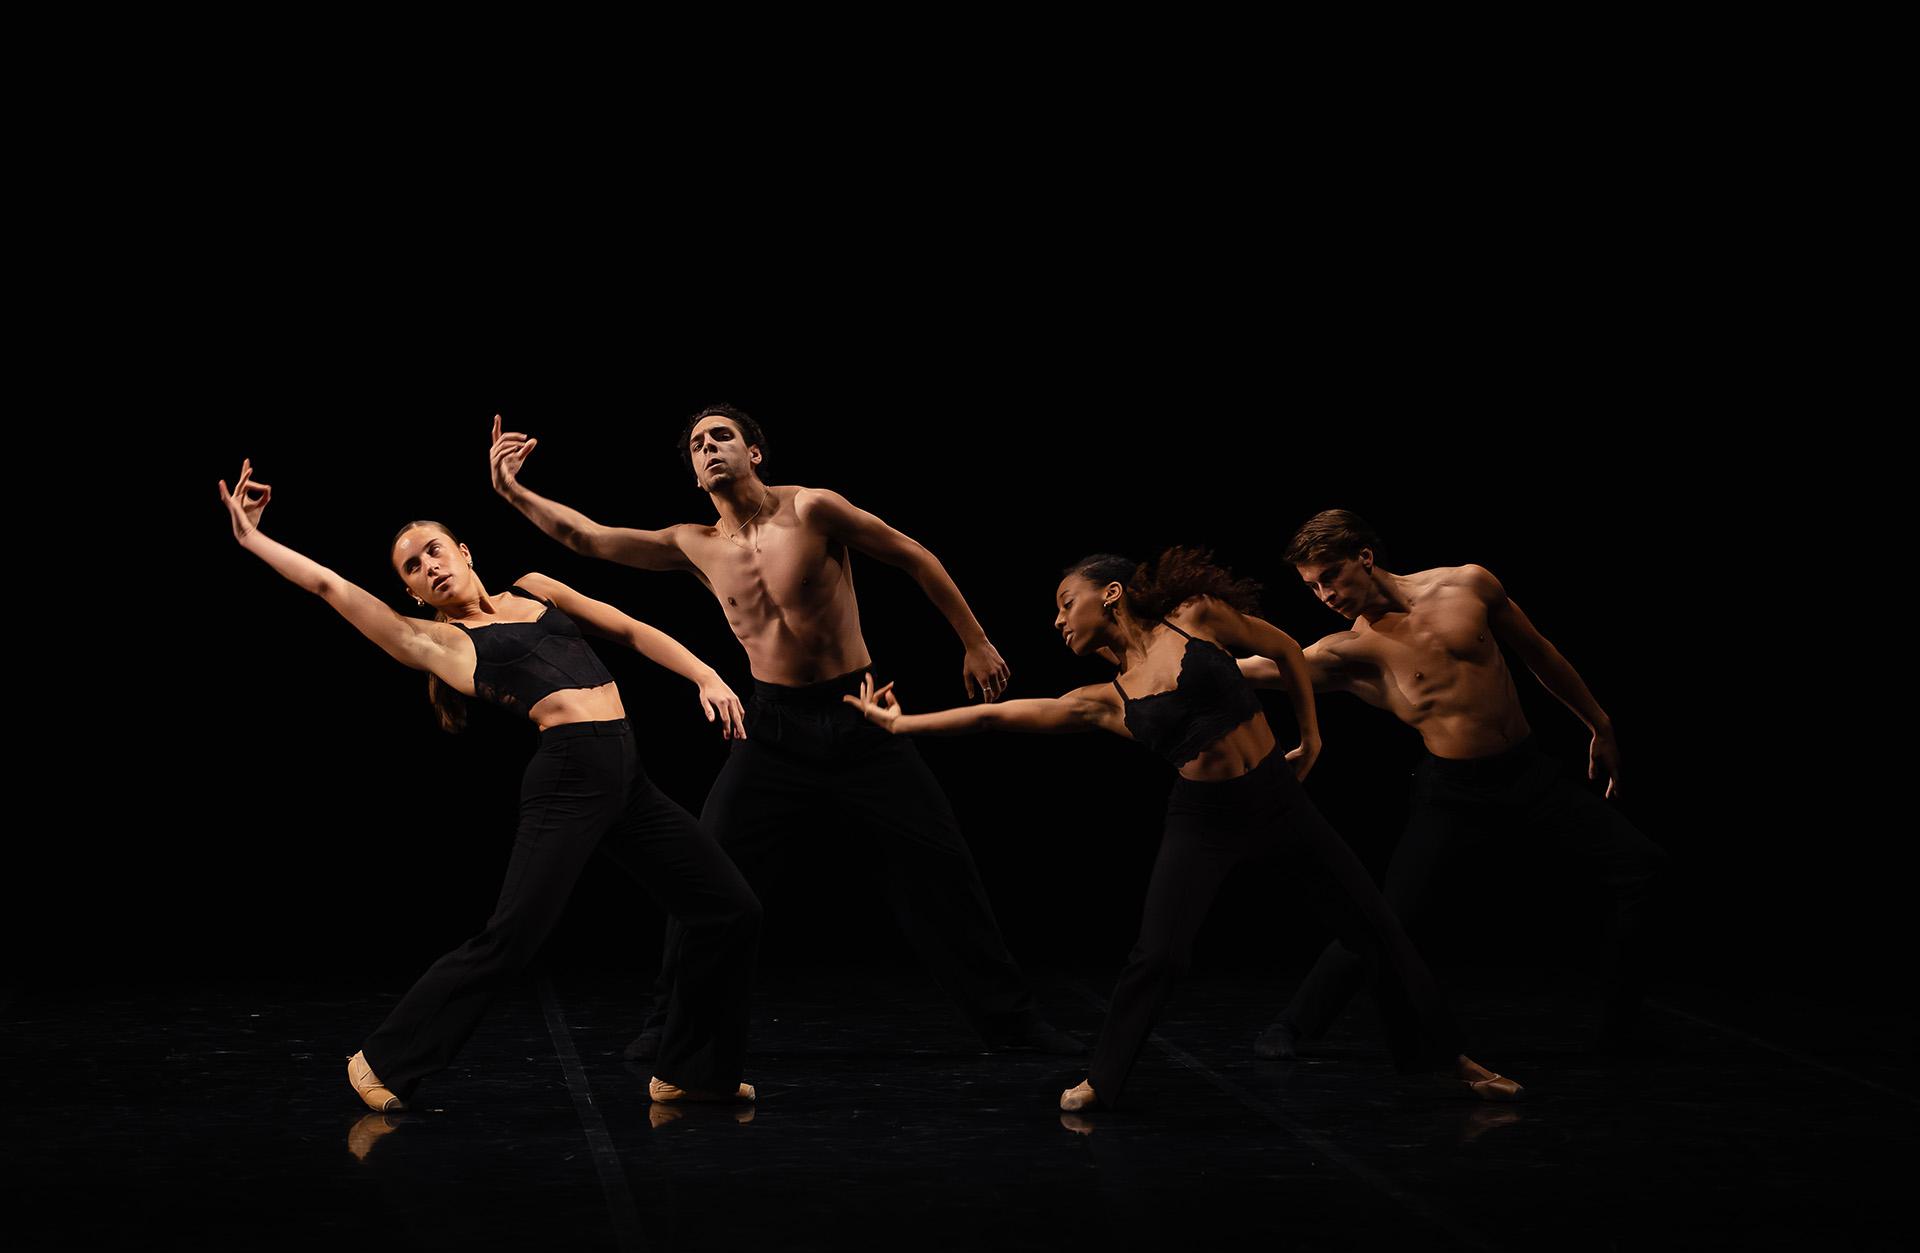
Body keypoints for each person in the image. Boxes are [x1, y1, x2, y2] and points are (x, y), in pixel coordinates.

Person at [841, 547, 1522, 1110]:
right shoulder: (1107, 698)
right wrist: (903, 725)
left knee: (1375, 927)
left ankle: (1452, 1060)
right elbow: (1000, 717)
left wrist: (1311, 738)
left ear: (1110, 594)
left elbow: (1286, 650)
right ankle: (1102, 1080)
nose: (1057, 621)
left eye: (1064, 602)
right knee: (1159, 955)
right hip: (1204, 819)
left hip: (1279, 801)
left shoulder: (1196, 619)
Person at [488, 408, 1078, 1056]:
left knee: (942, 871)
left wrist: (975, 641)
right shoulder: (694, 543)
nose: (708, 447)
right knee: (704, 873)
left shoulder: (814, 510)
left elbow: (913, 555)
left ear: (755, 453)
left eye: (722, 437)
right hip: (772, 730)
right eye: (696, 444)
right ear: (692, 471)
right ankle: (669, 1024)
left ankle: (1013, 1025)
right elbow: (589, 539)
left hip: (860, 719)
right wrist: (514, 491)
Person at [216, 459, 762, 1112]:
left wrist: (705, 674)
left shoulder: (535, 588)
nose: (429, 566)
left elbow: (628, 628)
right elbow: (333, 588)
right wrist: (254, 539)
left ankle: (691, 1070)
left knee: (730, 909)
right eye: (413, 567)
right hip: (568, 778)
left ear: (464, 550)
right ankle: (381, 1061)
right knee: (512, 938)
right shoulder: (441, 642)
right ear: (414, 593)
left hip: (628, 778)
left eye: (434, 550)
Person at [1237, 510, 1665, 1059]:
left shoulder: (1468, 584)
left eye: (1331, 576)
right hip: (1454, 793)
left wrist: (1599, 724)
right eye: (1313, 586)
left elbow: (1538, 652)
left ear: (1365, 557)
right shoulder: (1351, 649)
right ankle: (1294, 1025)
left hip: (1529, 774)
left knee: (1643, 867)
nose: (1324, 594)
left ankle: (1619, 1029)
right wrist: (1181, 652)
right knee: (1391, 917)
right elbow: (1259, 668)